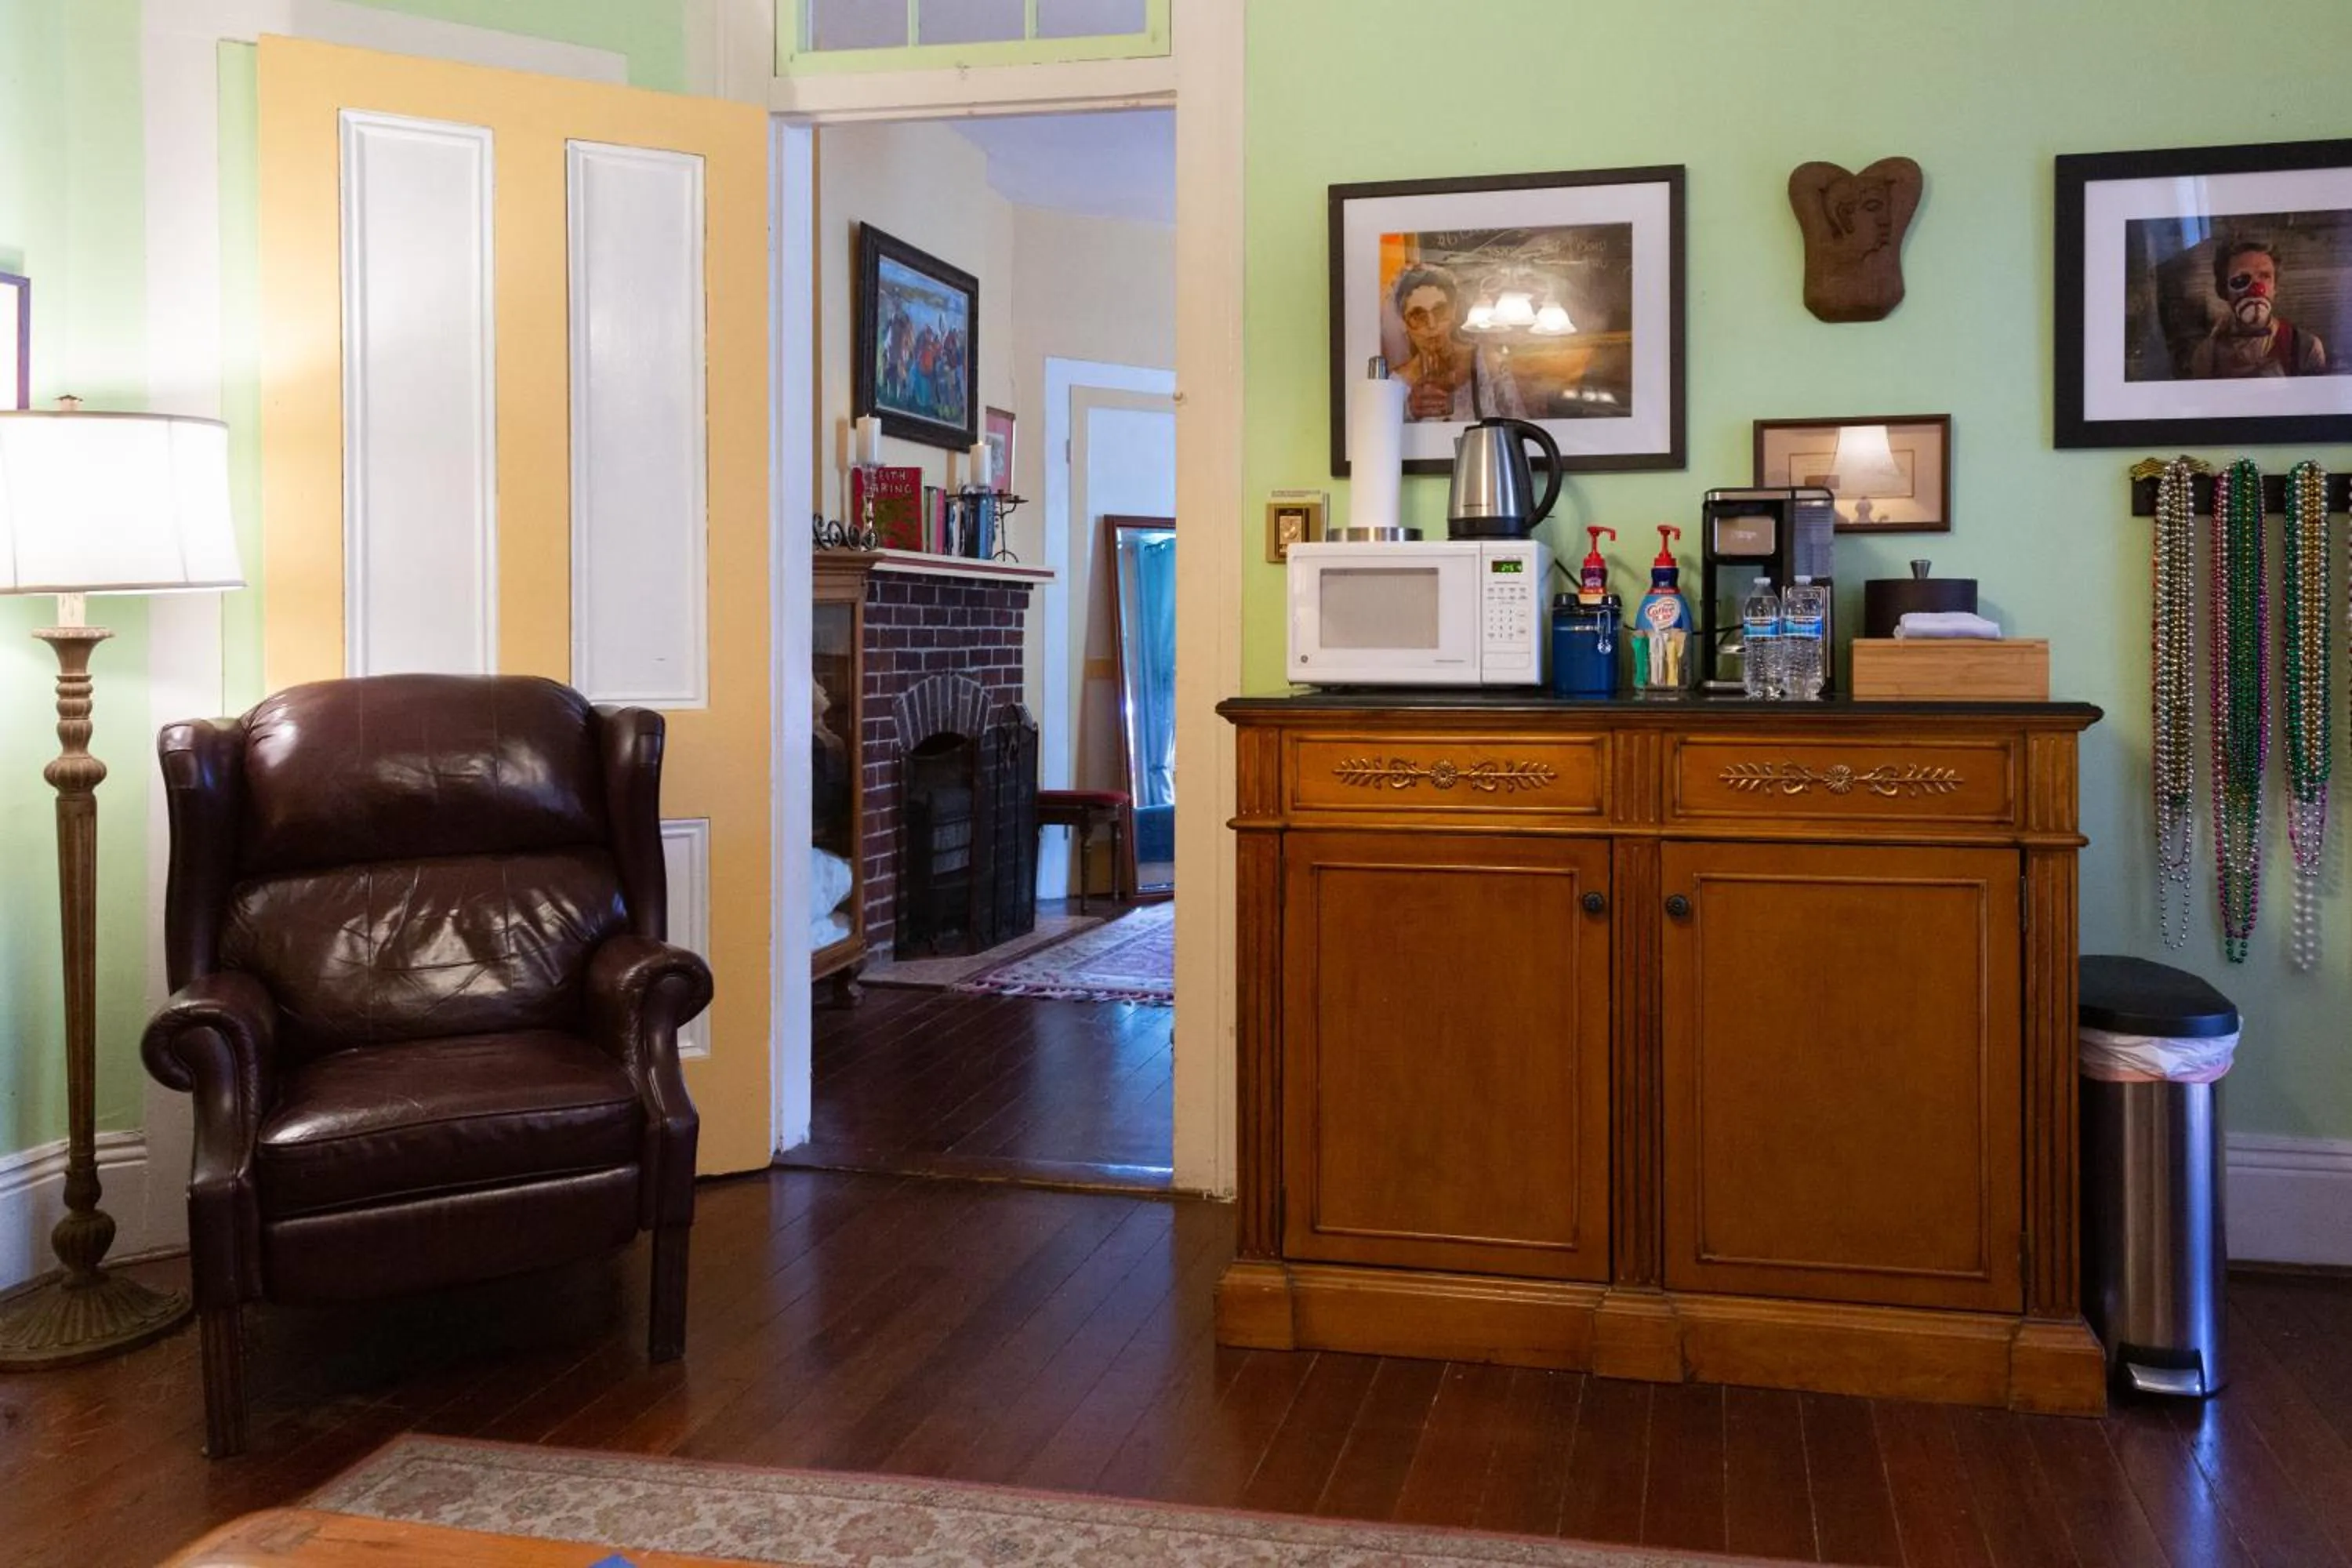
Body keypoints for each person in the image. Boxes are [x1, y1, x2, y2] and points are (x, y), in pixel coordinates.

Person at [1388, 264, 1526, 422]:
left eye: (1440, 311)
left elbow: (1519, 424)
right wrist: (1409, 410)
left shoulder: (1486, 363)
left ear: (1453, 311)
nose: (1432, 325)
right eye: (1418, 316)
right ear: (1404, 322)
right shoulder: (1396, 384)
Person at [2187, 238, 2328, 378]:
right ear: (2223, 290)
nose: (2256, 289)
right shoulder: (2207, 356)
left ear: (2275, 287)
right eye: (2241, 278)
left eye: (2265, 276)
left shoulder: (2305, 347)